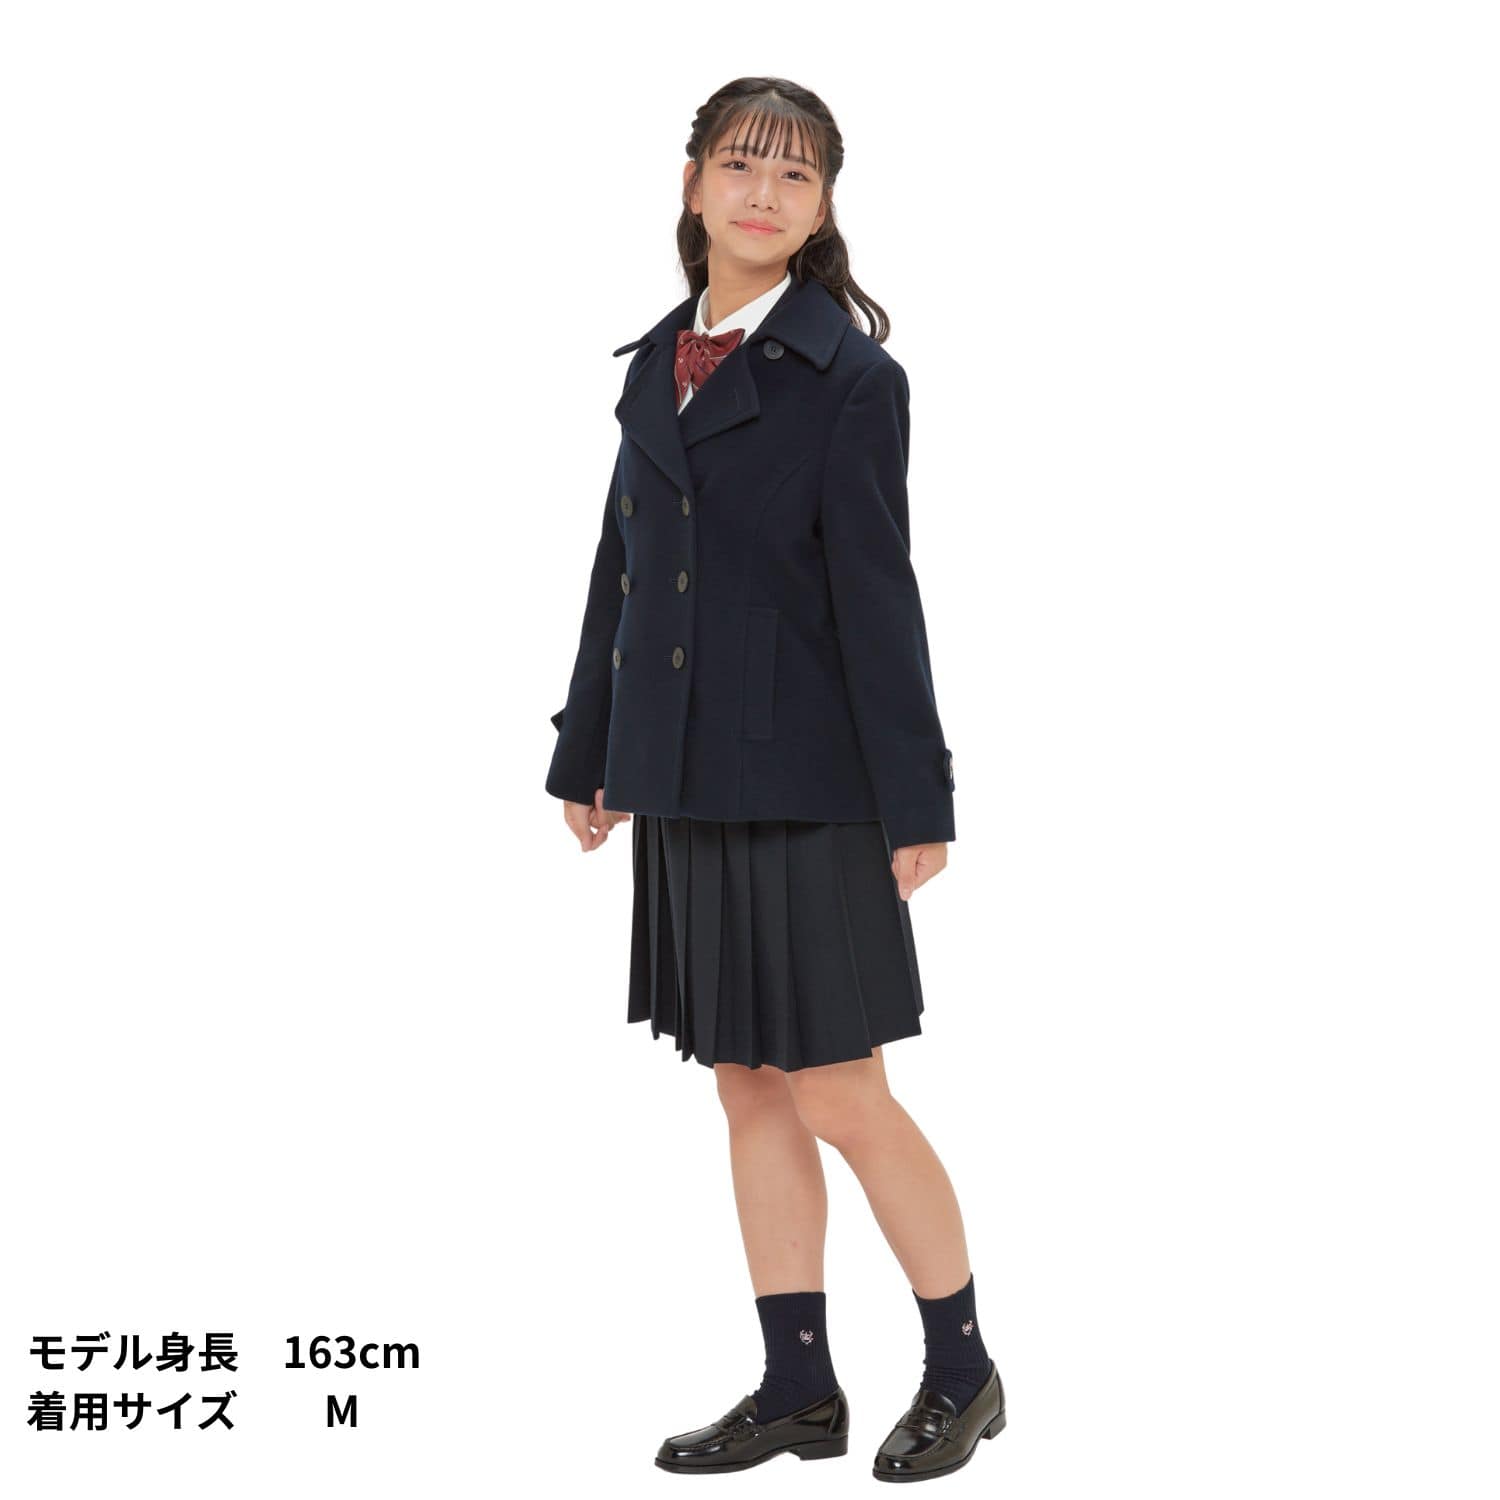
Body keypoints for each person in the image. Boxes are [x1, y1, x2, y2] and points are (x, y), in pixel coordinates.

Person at [545, 77, 1004, 1482]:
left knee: (839, 1091)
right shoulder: (656, 362)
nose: (763, 193)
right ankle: (798, 1386)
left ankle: (964, 1368)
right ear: (692, 183)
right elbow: (623, 569)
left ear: (822, 211)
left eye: (795, 176)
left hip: (812, 780)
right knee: (746, 1087)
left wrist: (916, 799)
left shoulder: (851, 379)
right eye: (741, 165)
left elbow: (879, 594)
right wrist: (589, 750)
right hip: (685, 777)